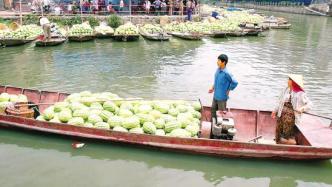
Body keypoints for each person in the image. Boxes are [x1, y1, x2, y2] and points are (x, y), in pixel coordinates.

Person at [271, 74, 312, 144]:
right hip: (281, 114)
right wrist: (275, 111)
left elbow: (309, 104)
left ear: (293, 82)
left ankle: (292, 144)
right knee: (278, 133)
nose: (288, 81)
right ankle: (278, 144)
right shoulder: (286, 89)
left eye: (289, 80)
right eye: (288, 79)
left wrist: (302, 109)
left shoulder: (300, 93)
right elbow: (280, 101)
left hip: (291, 117)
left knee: (286, 136)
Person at [209, 54, 238, 120]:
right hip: (215, 96)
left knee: (221, 115)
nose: (217, 62)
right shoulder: (218, 70)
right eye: (217, 60)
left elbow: (235, 82)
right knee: (213, 110)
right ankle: (213, 125)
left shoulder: (227, 73)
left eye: (219, 60)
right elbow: (216, 81)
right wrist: (212, 88)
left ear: (223, 62)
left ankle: (220, 128)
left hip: (222, 98)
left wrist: (228, 90)